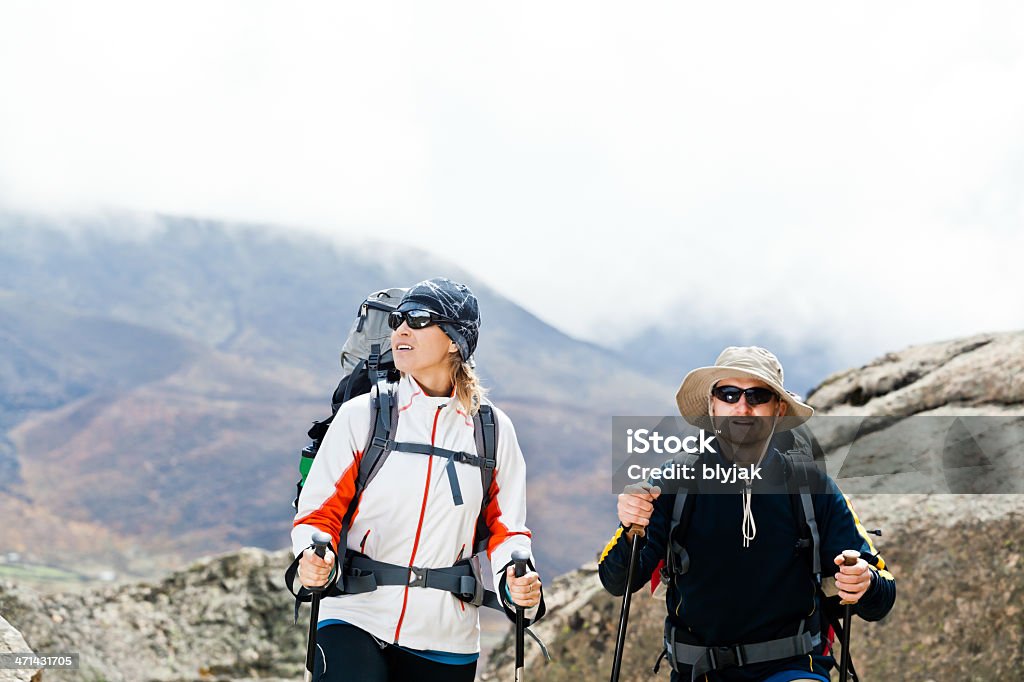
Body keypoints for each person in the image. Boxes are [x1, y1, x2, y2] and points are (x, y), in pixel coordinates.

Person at [292, 278, 545, 682]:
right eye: (398, 319)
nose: (401, 330)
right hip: (354, 614)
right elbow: (319, 513)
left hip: (447, 635)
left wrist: (514, 578)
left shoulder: (492, 430)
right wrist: (311, 557)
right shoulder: (363, 415)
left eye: (419, 319)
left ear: (455, 341)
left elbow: (507, 530)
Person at [599, 346, 896, 681]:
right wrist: (631, 528)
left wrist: (864, 582)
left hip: (792, 667)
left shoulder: (813, 488)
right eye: (729, 394)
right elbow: (617, 581)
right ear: (712, 405)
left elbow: (881, 595)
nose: (742, 407)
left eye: (757, 395)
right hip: (699, 673)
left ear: (778, 409)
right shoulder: (673, 482)